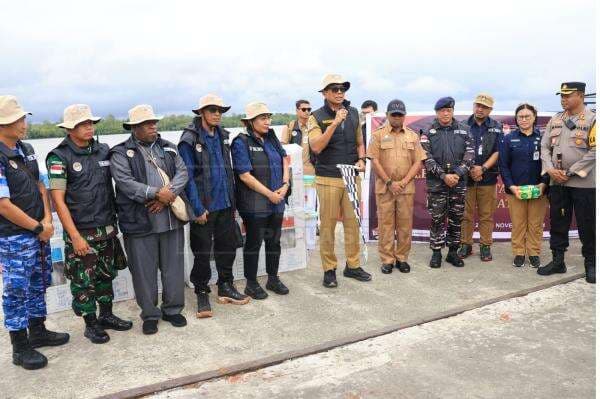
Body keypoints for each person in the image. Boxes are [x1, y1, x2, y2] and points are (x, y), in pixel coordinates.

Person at [46, 104, 132, 344]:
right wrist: (74, 236)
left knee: (106, 276)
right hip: (82, 232)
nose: (89, 127)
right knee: (84, 282)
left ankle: (106, 316)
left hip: (106, 228)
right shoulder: (59, 156)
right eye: (83, 124)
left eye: (90, 123)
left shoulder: (103, 150)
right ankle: (90, 324)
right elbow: (58, 201)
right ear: (70, 129)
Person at [0, 95, 69, 370]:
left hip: (37, 233)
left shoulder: (26, 149)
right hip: (13, 238)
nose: (24, 124)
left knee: (38, 284)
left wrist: (45, 219)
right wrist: (38, 227)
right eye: (18, 119)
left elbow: (42, 187)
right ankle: (20, 346)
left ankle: (37, 330)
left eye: (23, 118)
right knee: (16, 291)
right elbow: (3, 205)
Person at [109, 105, 189, 334]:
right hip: (140, 221)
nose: (153, 126)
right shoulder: (120, 152)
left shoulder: (169, 148)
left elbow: (183, 173)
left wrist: (166, 196)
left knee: (173, 268)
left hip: (170, 218)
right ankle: (150, 314)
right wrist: (154, 193)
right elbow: (124, 182)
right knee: (143, 272)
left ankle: (173, 310)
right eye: (147, 123)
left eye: (154, 122)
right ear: (134, 128)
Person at [178, 94, 249, 318]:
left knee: (226, 247)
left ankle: (225, 286)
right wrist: (197, 208)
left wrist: (233, 202)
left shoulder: (223, 136)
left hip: (226, 203)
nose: (217, 114)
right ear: (201, 113)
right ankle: (201, 291)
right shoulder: (189, 139)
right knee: (201, 253)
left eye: (220, 110)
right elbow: (186, 177)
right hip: (204, 209)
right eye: (212, 110)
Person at [308, 74, 372, 287]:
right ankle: (329, 269)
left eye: (342, 88)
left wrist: (362, 159)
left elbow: (359, 142)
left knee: (353, 222)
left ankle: (352, 266)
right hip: (327, 177)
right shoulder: (315, 116)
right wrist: (334, 123)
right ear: (325, 93)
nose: (339, 92)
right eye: (334, 89)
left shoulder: (353, 113)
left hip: (351, 177)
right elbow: (316, 147)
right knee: (327, 225)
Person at [231, 102, 290, 300]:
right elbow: (245, 175)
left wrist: (285, 183)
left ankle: (273, 278)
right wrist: (269, 194)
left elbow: (285, 159)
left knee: (274, 242)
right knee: (254, 244)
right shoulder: (241, 142)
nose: (268, 121)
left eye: (268, 117)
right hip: (255, 204)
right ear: (250, 122)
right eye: (263, 118)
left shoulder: (272, 137)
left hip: (277, 200)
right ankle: (251, 283)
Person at [539, 82, 595, 283]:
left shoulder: (593, 119)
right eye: (561, 96)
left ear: (580, 95)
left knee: (587, 225)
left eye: (567, 95)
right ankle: (558, 261)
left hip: (584, 184)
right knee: (558, 222)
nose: (563, 99)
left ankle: (591, 263)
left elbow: (595, 151)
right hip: (558, 183)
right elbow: (544, 147)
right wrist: (551, 169)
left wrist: (570, 172)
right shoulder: (555, 119)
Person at [367, 99, 426, 274]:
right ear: (387, 115)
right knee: (385, 225)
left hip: (405, 189)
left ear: (404, 116)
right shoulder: (377, 135)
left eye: (400, 115)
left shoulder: (412, 136)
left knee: (404, 225)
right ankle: (387, 260)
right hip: (385, 188)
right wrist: (390, 182)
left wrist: (403, 182)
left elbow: (418, 162)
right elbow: (374, 161)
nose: (397, 117)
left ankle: (402, 258)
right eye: (393, 114)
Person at [420, 96, 474, 268]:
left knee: (456, 219)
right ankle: (436, 253)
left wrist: (457, 174)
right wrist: (444, 176)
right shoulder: (428, 132)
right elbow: (426, 158)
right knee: (437, 219)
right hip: (437, 184)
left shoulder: (465, 130)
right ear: (437, 112)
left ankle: (452, 253)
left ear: (452, 111)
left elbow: (470, 155)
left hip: (458, 184)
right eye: (442, 110)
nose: (445, 113)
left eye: (449, 110)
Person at [499, 103, 549, 268]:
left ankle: (534, 253)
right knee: (518, 224)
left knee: (535, 224)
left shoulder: (543, 139)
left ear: (534, 117)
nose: (524, 119)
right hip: (517, 191)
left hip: (538, 190)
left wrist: (543, 184)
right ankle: (519, 253)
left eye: (527, 116)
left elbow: (549, 163)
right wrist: (512, 187)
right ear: (516, 119)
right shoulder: (508, 139)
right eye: (520, 116)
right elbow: (504, 166)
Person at [458, 94, 503, 261]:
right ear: (473, 105)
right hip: (466, 178)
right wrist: (470, 168)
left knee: (486, 215)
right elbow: (459, 151)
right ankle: (466, 245)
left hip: (488, 178)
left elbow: (498, 151)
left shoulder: (497, 127)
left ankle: (485, 246)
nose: (480, 109)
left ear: (490, 109)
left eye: (484, 106)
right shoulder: (462, 125)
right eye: (477, 105)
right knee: (466, 214)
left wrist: (482, 168)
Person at [280, 99, 314, 176]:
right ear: (297, 111)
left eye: (309, 109)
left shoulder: (314, 127)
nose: (307, 112)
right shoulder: (289, 127)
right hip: (294, 171)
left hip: (312, 170)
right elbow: (283, 150)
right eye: (304, 109)